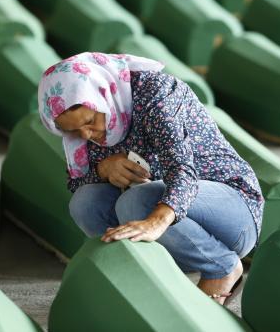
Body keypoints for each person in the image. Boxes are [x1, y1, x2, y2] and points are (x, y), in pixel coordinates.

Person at [37, 52, 264, 304]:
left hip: (233, 214)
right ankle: (143, 273)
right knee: (85, 202)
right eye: (73, 131)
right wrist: (102, 168)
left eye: (90, 121)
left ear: (101, 94)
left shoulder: (156, 94)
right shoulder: (85, 130)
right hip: (174, 222)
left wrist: (156, 221)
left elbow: (182, 170)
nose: (88, 134)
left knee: (136, 202)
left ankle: (221, 267)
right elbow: (75, 182)